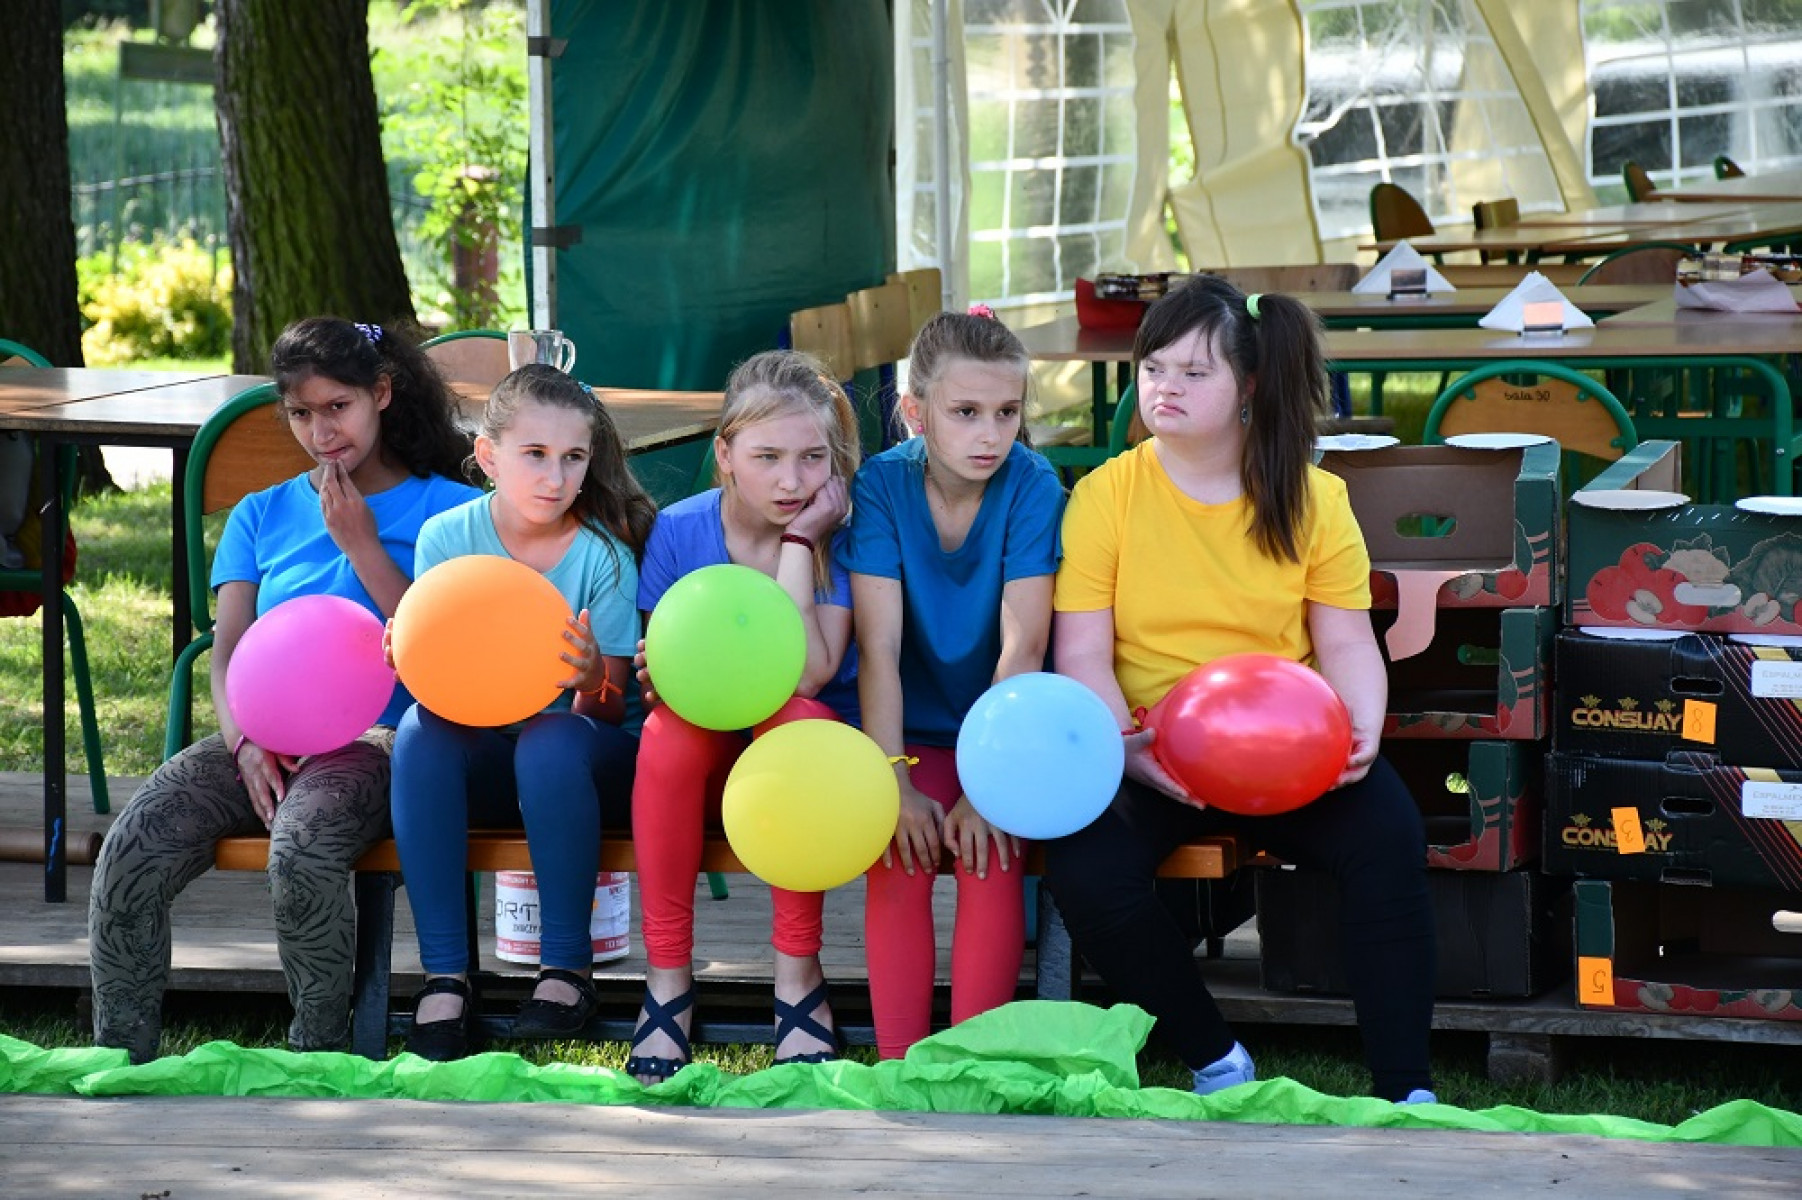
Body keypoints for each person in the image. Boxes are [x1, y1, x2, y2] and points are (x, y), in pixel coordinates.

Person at [1044, 275, 1438, 1104]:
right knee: (1086, 873)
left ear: (1248, 384)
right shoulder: (1106, 495)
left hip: (1286, 748)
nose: (1166, 388)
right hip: (1156, 750)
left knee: (1390, 840)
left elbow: (1346, 638)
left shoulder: (1314, 495)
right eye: (1155, 368)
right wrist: (1128, 751)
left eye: (1195, 372)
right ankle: (1215, 1058)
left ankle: (1406, 1088)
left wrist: (1361, 728)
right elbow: (1082, 653)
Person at [88, 317, 479, 1062]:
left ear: (382, 394)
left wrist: (361, 544)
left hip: (384, 738)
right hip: (261, 734)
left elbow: (442, 651)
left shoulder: (449, 510)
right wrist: (242, 739)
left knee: (300, 847)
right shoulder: (260, 512)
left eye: (338, 407)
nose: (321, 432)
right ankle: (121, 1050)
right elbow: (227, 650)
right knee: (135, 842)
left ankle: (317, 1054)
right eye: (301, 414)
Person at [390, 364, 656, 1061]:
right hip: (487, 756)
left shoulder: (603, 555)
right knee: (418, 732)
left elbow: (609, 710)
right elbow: (445, 693)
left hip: (583, 765)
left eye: (573, 458)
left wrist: (593, 676)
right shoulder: (446, 540)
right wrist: (413, 658)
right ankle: (445, 976)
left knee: (549, 738)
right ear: (488, 456)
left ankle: (566, 969)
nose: (555, 477)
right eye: (534, 454)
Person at [626, 349, 861, 1083]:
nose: (792, 481)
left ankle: (798, 972)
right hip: (706, 758)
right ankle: (667, 975)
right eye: (768, 458)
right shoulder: (679, 531)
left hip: (803, 764)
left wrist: (800, 542)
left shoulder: (835, 532)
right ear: (725, 456)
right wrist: (662, 677)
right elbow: (664, 681)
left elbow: (809, 671)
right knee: (666, 732)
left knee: (795, 716)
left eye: (812, 458)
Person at [842, 309, 1063, 1059]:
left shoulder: (1032, 485)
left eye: (1007, 412)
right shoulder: (880, 484)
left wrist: (987, 786)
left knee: (990, 853)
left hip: (1001, 730)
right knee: (896, 853)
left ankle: (974, 1063)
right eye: (966, 412)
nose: (990, 434)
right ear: (915, 411)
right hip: (908, 730)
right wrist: (893, 779)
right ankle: (898, 1062)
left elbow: (1024, 644)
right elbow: (877, 646)